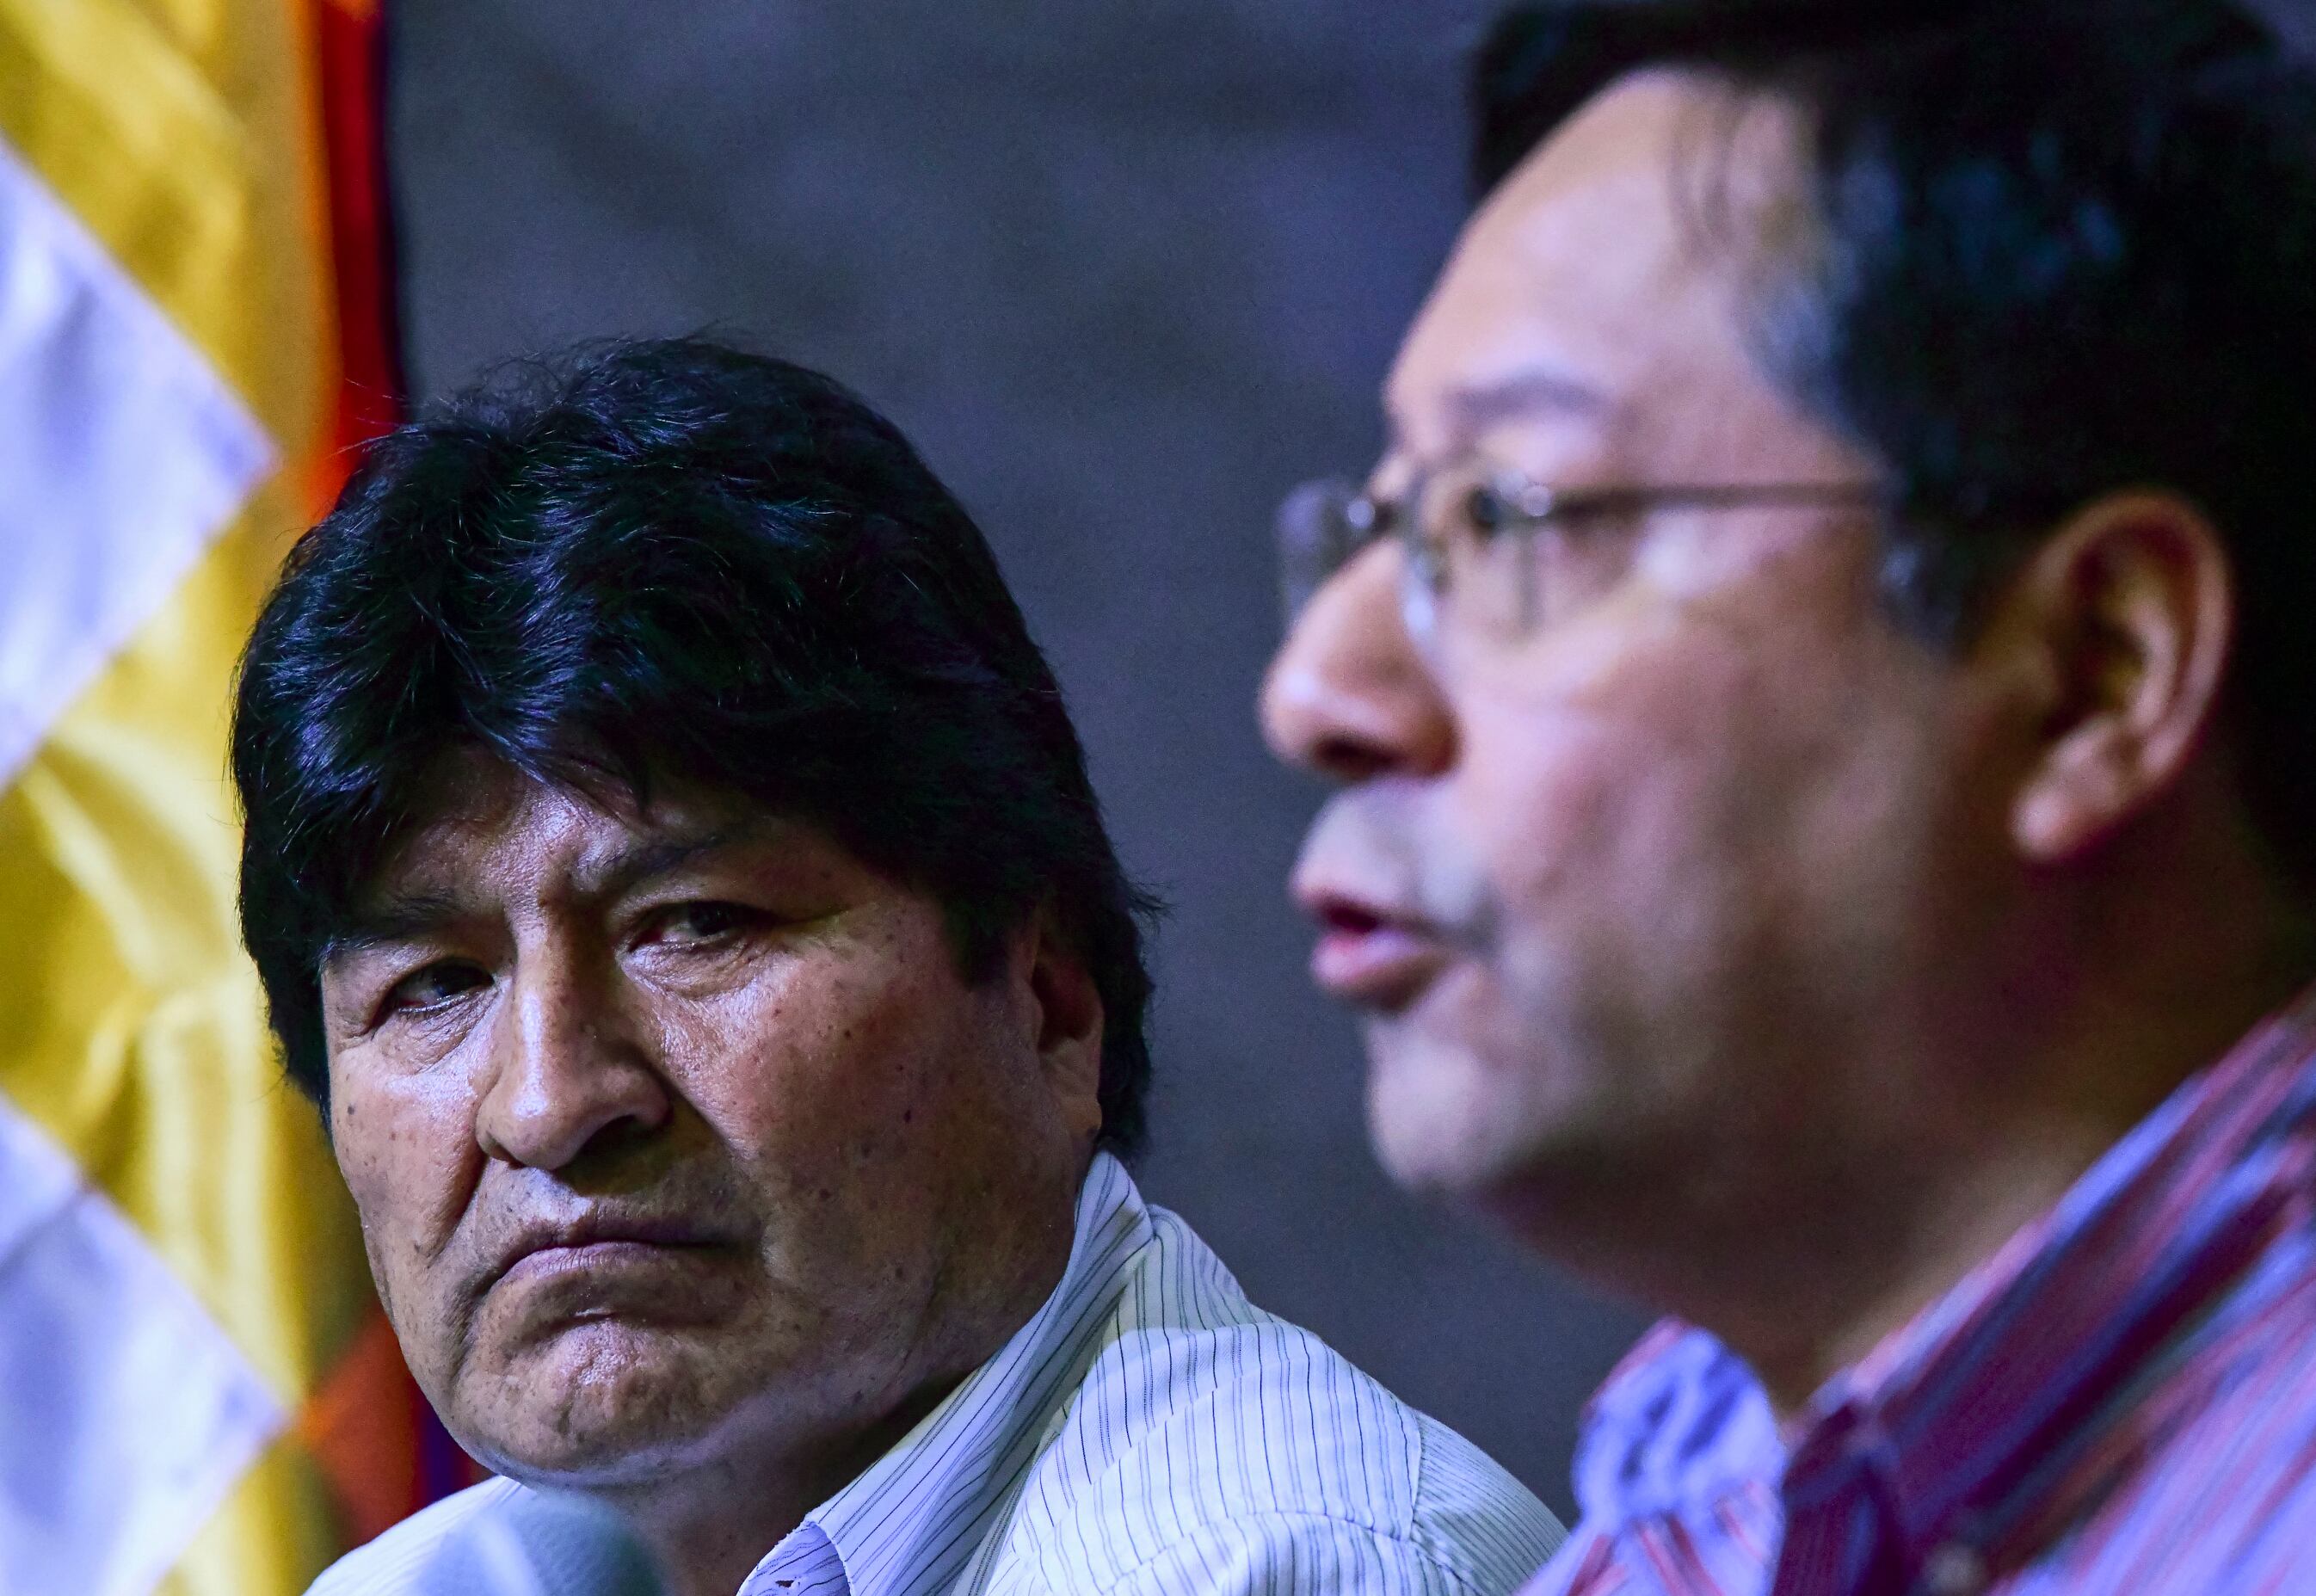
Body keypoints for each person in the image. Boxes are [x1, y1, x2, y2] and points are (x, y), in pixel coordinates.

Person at [1262, 2, 2316, 1592]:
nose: (1320, 697)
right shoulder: (1692, 1502)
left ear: (2098, 671)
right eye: (1384, 527)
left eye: (1508, 517)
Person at [233, 339, 1563, 1596]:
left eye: (695, 924)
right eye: (432, 987)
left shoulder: (1302, 1567)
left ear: (1051, 1000)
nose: (548, 1101)